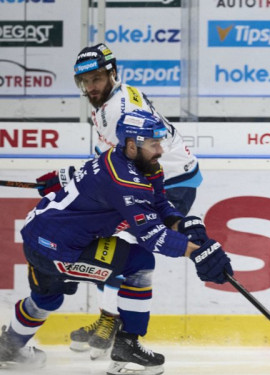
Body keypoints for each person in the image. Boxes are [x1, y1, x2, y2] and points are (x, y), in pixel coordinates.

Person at [0, 110, 232, 375]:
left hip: (40, 234)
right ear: (132, 145)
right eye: (154, 144)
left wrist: (184, 224)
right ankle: (127, 350)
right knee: (141, 263)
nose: (160, 150)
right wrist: (197, 253)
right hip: (54, 248)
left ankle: (9, 347)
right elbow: (152, 235)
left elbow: (160, 206)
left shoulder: (141, 164)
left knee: (47, 299)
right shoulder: (124, 180)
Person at [36, 43, 203, 359]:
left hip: (170, 183)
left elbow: (124, 167)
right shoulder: (107, 100)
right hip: (155, 177)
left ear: (112, 73)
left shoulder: (119, 112)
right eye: (84, 81)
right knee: (115, 249)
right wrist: (67, 179)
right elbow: (106, 160)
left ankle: (114, 326)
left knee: (126, 251)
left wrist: (72, 184)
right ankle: (110, 321)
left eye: (97, 78)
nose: (90, 87)